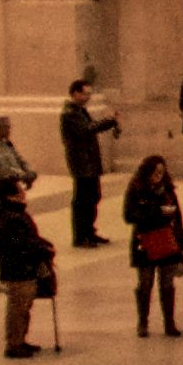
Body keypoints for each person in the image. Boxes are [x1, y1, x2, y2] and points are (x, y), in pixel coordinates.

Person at [0, 170, 55, 357]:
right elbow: (20, 244)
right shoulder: (10, 218)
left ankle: (20, 339)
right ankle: (14, 344)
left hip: (21, 268)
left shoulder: (11, 214)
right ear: (11, 196)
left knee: (24, 307)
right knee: (18, 308)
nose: (23, 193)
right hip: (17, 269)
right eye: (19, 191)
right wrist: (41, 249)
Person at [121, 153, 183, 334]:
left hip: (166, 240)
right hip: (144, 241)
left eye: (162, 172)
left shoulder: (167, 190)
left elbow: (178, 219)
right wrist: (156, 212)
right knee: (145, 283)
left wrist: (181, 246)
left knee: (167, 283)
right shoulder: (136, 189)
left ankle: (169, 322)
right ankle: (143, 322)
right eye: (155, 172)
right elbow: (129, 215)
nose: (158, 175)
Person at [58, 77, 112, 249]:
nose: (88, 97)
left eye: (90, 94)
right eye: (85, 94)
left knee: (93, 196)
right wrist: (108, 121)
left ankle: (89, 231)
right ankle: (81, 236)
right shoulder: (70, 113)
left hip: (89, 161)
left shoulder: (80, 111)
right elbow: (85, 130)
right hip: (81, 163)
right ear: (75, 93)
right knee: (83, 200)